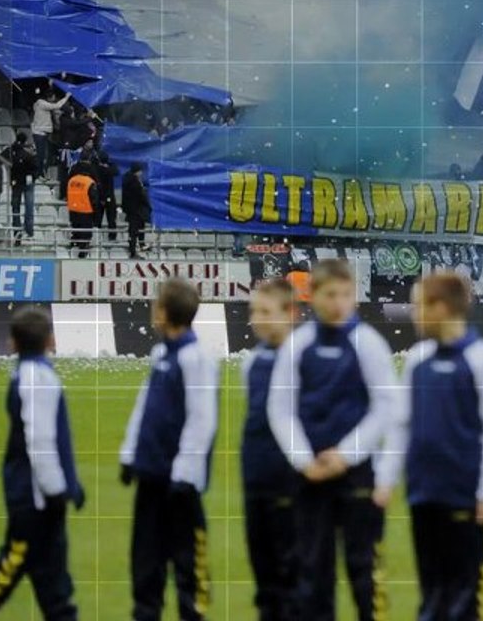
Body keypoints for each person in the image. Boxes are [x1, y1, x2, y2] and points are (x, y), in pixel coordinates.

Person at [266, 259, 397, 621]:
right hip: (309, 476)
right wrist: (304, 460)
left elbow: (386, 406)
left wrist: (344, 455)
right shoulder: (300, 343)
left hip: (355, 474)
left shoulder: (368, 343)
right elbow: (280, 407)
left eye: (345, 294)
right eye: (330, 294)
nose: (338, 302)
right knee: (312, 569)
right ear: (314, 296)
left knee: (364, 569)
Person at [381, 271, 483, 621]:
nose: (414, 313)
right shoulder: (416, 359)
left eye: (419, 305)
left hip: (464, 494)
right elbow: (400, 423)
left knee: (464, 592)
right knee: (431, 589)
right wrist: (385, 479)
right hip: (423, 492)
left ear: (441, 307)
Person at [0, 306, 85, 621]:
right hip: (37, 499)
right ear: (51, 339)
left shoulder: (26, 374)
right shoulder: (38, 378)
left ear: (12, 343)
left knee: (51, 584)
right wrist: (58, 490)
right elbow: (41, 442)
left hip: (32, 495)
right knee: (16, 564)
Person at [119, 279, 219, 621]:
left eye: (156, 303)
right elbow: (144, 406)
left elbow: (201, 419)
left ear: (164, 311)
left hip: (179, 482)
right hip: (151, 473)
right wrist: (130, 454)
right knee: (145, 558)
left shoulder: (197, 358)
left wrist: (185, 473)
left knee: (188, 560)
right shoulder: (161, 353)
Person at [241, 279, 301, 621]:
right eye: (253, 312)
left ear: (290, 313)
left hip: (290, 480)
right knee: (263, 576)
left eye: (266, 311)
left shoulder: (301, 358)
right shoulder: (253, 360)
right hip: (255, 479)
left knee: (291, 573)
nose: (257, 319)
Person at [3, 133, 37, 244]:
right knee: (28, 208)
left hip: (16, 182)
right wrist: (31, 177)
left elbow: (0, 156)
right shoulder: (29, 152)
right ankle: (28, 231)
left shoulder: (11, 151)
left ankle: (18, 233)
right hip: (26, 183)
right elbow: (36, 169)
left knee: (16, 209)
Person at [31, 89, 70, 178]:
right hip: (40, 133)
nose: (54, 98)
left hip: (42, 134)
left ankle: (41, 173)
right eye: (54, 97)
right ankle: (38, 175)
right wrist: (66, 97)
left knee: (44, 155)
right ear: (50, 97)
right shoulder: (42, 104)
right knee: (41, 156)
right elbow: (57, 105)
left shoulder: (40, 104)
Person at [66, 161, 99, 258]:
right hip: (85, 210)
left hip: (73, 209)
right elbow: (94, 199)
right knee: (85, 232)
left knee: (76, 229)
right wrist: (96, 214)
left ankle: (74, 242)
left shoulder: (71, 180)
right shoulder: (89, 182)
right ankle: (83, 251)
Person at [122, 162, 151, 258]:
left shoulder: (127, 179)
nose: (142, 173)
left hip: (132, 209)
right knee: (134, 230)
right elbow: (141, 195)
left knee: (138, 228)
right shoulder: (134, 183)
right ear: (137, 171)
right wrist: (148, 205)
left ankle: (140, 245)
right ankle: (133, 251)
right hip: (136, 210)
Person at [94, 151, 119, 242]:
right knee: (97, 219)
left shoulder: (110, 168)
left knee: (111, 219)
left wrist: (106, 166)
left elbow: (115, 171)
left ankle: (112, 236)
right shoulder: (96, 168)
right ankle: (96, 237)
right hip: (100, 196)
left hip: (109, 196)